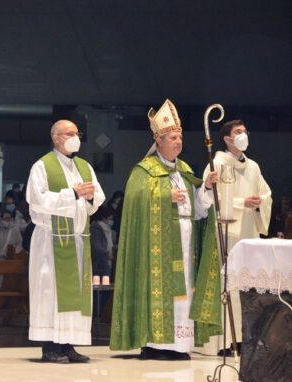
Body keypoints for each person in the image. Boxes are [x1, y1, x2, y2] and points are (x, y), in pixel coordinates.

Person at [110, 99, 222, 361]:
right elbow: (135, 203)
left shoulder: (184, 170)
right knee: (161, 291)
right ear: (159, 140)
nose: (178, 142)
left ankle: (179, 345)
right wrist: (164, 196)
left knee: (184, 290)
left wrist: (204, 187)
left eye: (180, 137)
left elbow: (199, 209)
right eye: (173, 137)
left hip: (184, 240)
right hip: (156, 246)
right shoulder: (144, 171)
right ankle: (155, 344)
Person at [26, 119, 105, 363]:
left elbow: (98, 198)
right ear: (56, 137)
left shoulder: (84, 166)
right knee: (50, 293)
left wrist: (90, 197)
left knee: (74, 296)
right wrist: (72, 193)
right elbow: (36, 199)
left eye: (77, 133)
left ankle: (68, 344)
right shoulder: (42, 166)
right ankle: (50, 347)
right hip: (51, 241)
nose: (75, 137)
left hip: (78, 239)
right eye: (70, 133)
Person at [199, 119, 273, 356]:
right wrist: (243, 203)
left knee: (246, 284)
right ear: (227, 139)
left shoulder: (253, 167)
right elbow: (211, 198)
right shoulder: (217, 163)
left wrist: (260, 202)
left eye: (245, 131)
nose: (243, 135)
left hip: (248, 233)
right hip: (227, 231)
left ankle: (243, 338)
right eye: (238, 132)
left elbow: (266, 194)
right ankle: (223, 341)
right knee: (227, 283)